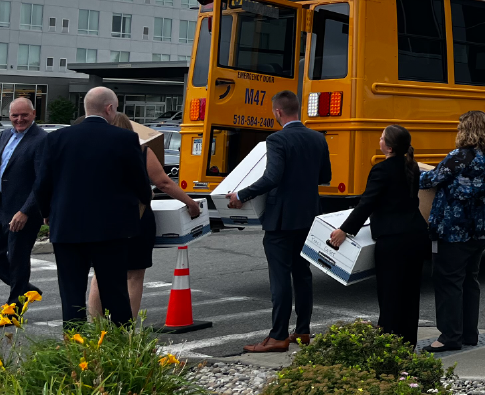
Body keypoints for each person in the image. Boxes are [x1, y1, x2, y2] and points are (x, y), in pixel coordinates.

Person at [35, 87, 150, 328]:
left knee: (71, 292)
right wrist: (140, 203)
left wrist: (47, 213)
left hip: (66, 226)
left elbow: (43, 183)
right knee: (115, 291)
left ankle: (75, 346)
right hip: (111, 229)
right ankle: (120, 344)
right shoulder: (125, 139)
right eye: (115, 108)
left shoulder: (56, 138)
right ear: (109, 108)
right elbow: (140, 183)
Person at [226, 91, 332, 353]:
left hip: (281, 219)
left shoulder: (276, 139)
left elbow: (272, 177)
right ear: (297, 110)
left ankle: (278, 336)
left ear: (277, 112)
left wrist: (241, 194)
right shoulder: (318, 138)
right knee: (303, 274)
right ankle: (303, 330)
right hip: (308, 215)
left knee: (280, 277)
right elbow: (325, 176)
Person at [86, 114, 202, 320]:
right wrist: (190, 203)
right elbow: (164, 182)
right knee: (134, 275)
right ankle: (125, 330)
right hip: (135, 217)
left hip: (100, 219)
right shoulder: (140, 151)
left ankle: (95, 326)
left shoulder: (93, 151)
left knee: (100, 275)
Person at [330, 125, 429, 346]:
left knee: (390, 293)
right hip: (416, 234)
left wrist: (344, 229)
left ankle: (390, 345)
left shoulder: (381, 170)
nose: (379, 139)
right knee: (410, 294)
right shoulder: (412, 167)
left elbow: (367, 203)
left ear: (389, 146)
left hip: (393, 238)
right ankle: (408, 344)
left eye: (382, 137)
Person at [420, 110, 485, 353]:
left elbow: (429, 180)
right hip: (480, 231)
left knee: (448, 281)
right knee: (470, 280)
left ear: (466, 130)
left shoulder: (459, 157)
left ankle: (449, 336)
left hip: (453, 232)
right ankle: (470, 333)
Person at [0, 98, 47, 307]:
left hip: (24, 212)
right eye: (15, 115)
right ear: (9, 116)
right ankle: (25, 290)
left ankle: (13, 309)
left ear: (33, 114)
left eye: (24, 115)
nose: (19, 119)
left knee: (18, 260)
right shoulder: (5, 134)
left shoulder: (42, 139)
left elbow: (42, 181)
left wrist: (25, 211)